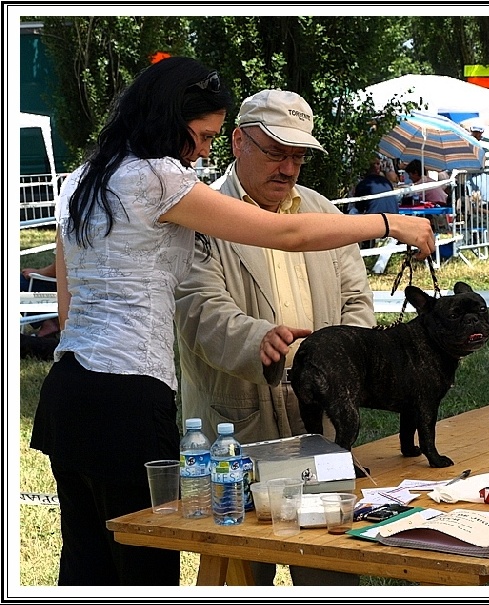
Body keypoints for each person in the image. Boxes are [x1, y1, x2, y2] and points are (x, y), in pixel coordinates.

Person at [29, 56, 433, 587]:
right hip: (129, 395)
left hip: (68, 389)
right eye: (199, 136)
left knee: (86, 563)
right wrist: (390, 221)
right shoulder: (159, 177)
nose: (201, 150)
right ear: (167, 121)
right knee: (145, 572)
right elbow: (281, 234)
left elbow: (67, 300)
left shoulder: (83, 178)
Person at [174, 89, 373, 586]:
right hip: (238, 424)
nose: (288, 168)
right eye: (276, 152)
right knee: (242, 571)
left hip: (319, 418)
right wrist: (258, 339)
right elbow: (198, 308)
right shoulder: (202, 213)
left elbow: (357, 303)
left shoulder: (324, 212)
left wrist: (345, 368)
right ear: (238, 142)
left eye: (298, 156)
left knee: (331, 572)